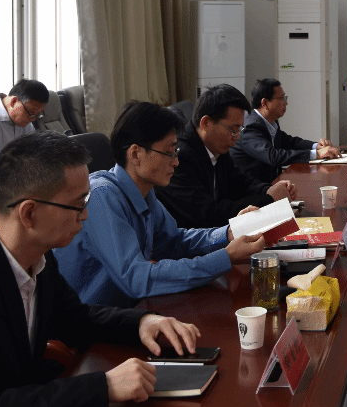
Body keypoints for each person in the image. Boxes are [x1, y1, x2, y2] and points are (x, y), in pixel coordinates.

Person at [0, 132, 202, 407]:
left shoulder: (38, 258)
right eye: (78, 204)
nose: (85, 215)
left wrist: (142, 323)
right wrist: (103, 386)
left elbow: (77, 319)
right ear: (29, 213)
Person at [54, 102, 270, 307]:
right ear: (136, 154)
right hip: (92, 324)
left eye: (175, 152)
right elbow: (137, 278)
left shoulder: (144, 192)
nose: (175, 161)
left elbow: (174, 241)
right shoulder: (101, 196)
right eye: (168, 153)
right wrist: (226, 257)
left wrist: (228, 233)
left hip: (129, 312)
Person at [157, 84, 297, 229]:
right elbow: (208, 215)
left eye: (240, 129)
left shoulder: (216, 146)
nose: (237, 137)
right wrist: (269, 199)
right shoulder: (178, 157)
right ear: (206, 123)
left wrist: (268, 189)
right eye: (233, 129)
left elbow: (239, 181)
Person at [231, 78, 339, 183]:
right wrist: (317, 154)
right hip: (252, 189)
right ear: (264, 103)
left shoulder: (270, 121)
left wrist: (316, 146)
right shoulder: (250, 127)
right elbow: (273, 156)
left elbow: (289, 142)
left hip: (272, 183)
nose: (285, 103)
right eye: (281, 98)